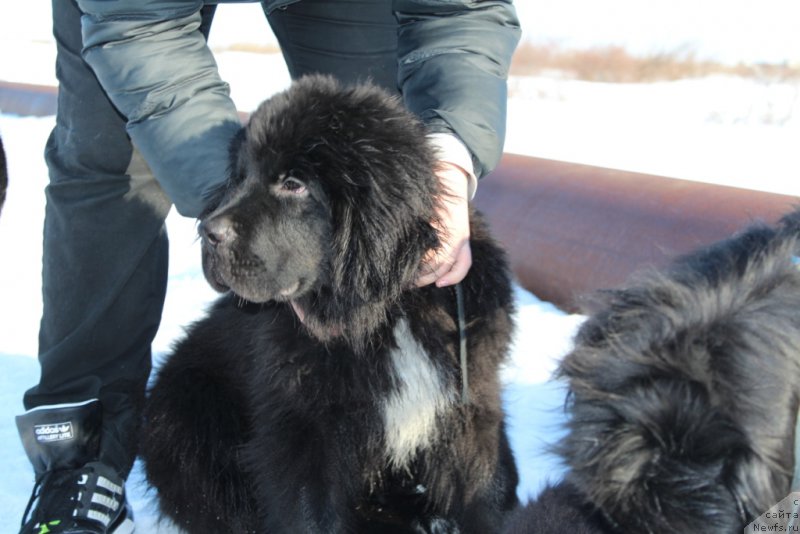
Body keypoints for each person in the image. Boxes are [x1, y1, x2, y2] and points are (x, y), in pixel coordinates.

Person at [15, 1, 521, 532]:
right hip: (140, 15)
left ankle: (396, 476)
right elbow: (135, 30)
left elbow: (461, 14)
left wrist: (446, 163)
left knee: (374, 128)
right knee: (108, 158)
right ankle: (76, 456)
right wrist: (245, 226)